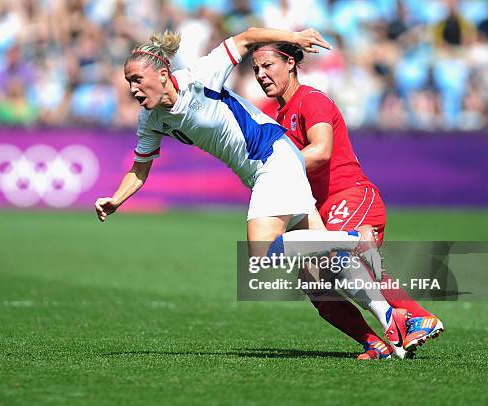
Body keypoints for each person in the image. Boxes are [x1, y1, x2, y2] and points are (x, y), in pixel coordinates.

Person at [95, 27, 413, 357]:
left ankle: (350, 239)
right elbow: (139, 169)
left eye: (136, 79)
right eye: (128, 81)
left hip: (272, 156)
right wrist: (116, 199)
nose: (131, 89)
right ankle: (389, 327)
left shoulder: (199, 76)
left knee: (261, 250)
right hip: (266, 167)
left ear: (162, 74)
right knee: (326, 264)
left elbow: (247, 37)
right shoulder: (151, 118)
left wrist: (294, 38)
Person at [251, 42, 444, 359]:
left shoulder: (311, 100)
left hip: (351, 195)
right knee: (316, 286)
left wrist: (275, 170)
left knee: (348, 260)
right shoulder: (280, 115)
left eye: (267, 65)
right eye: (255, 69)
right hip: (321, 209)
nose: (261, 74)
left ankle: (416, 315)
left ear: (289, 63)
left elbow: (322, 150)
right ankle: (376, 343)